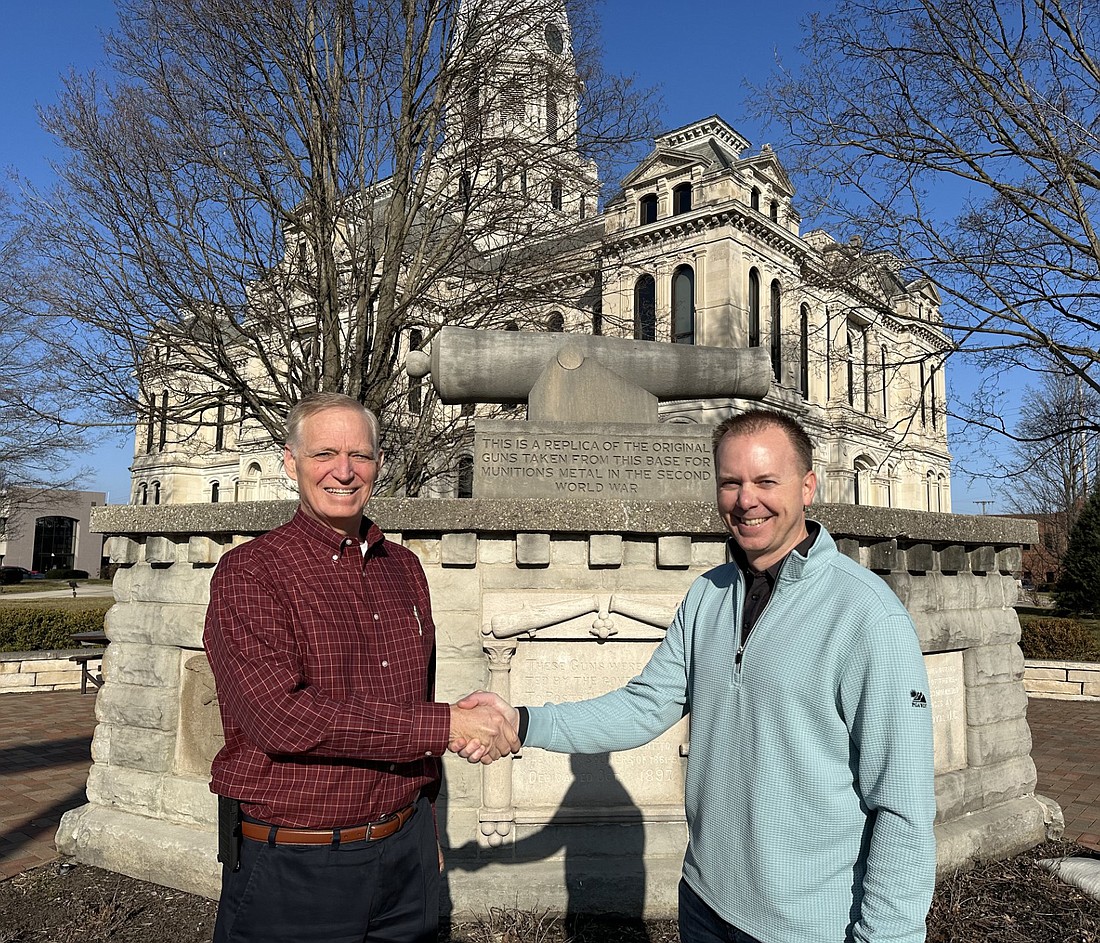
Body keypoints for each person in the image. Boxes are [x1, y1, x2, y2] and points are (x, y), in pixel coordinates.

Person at [458, 409, 937, 943]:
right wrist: (520, 723)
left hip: (807, 924)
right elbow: (642, 706)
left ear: (808, 487)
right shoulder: (709, 595)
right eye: (730, 482)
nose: (745, 499)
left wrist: (887, 935)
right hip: (705, 903)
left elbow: (902, 803)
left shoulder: (867, 615)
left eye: (765, 481)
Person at [203, 392, 518, 943]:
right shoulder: (251, 573)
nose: (344, 472)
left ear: (377, 463)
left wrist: (428, 825)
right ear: (290, 461)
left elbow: (414, 700)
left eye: (361, 456)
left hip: (405, 854)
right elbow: (281, 718)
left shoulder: (405, 569)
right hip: (298, 863)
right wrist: (448, 725)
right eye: (325, 453)